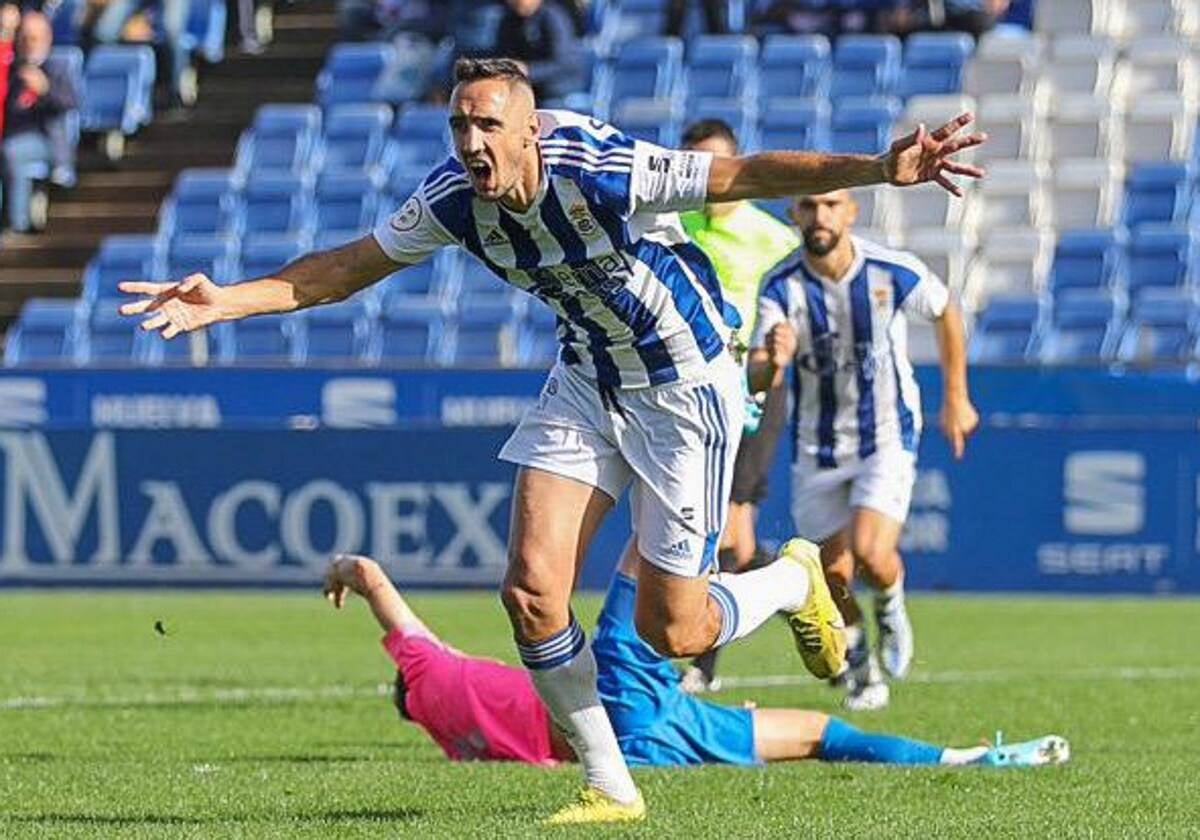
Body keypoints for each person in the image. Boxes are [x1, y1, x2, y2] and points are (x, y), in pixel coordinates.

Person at [119, 57, 986, 823]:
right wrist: (228, 298)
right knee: (532, 593)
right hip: (586, 378)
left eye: (487, 123)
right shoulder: (455, 199)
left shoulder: (603, 169)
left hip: (686, 387)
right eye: (459, 123)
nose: (469, 141)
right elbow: (347, 269)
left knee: (676, 631)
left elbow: (742, 173)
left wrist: (878, 167)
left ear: (529, 129)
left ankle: (791, 579)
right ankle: (612, 786)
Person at [322, 552, 1070, 771]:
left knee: (818, 736)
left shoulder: (457, 744)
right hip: (615, 689)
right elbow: (371, 574)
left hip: (644, 744)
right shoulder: (429, 667)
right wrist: (344, 571)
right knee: (657, 543)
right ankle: (785, 578)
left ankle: (970, 761)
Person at [748, 190, 979, 711]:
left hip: (886, 435)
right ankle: (863, 669)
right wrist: (772, 361)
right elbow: (759, 371)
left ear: (852, 212)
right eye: (808, 205)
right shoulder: (781, 286)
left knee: (873, 554)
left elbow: (945, 311)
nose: (820, 215)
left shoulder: (890, 270)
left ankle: (892, 607)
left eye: (832, 205)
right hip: (817, 446)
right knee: (831, 575)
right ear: (795, 215)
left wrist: (957, 396)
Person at [675, 117, 800, 694]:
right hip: (688, 392)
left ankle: (702, 664)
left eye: (717, 163)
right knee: (738, 544)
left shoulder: (773, 238)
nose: (709, 176)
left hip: (753, 388)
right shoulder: (673, 225)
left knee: (723, 534)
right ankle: (802, 589)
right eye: (696, 163)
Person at [3, 9, 75, 231]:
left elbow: (70, 103)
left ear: (46, 38)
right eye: (23, 38)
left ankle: (17, 224)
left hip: (46, 141)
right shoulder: (16, 71)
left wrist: (45, 89)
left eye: (33, 38)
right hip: (12, 138)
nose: (28, 44)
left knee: (11, 151)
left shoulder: (57, 68)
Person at [492, 0, 582, 103]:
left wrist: (529, 71)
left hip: (559, 93)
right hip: (525, 91)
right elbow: (503, 53)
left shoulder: (552, 17)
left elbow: (565, 62)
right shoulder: (508, 19)